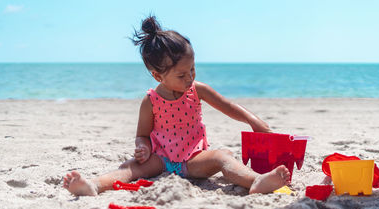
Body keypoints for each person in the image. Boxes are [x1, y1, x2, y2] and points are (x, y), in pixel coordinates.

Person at [63, 16, 290, 196]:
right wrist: (143, 148)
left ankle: (256, 180)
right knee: (129, 167)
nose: (190, 77)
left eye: (192, 69)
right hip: (160, 160)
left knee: (222, 157)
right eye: (182, 75)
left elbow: (228, 106)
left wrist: (253, 121)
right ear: (157, 76)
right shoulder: (150, 101)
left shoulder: (197, 90)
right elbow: (142, 134)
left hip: (194, 160)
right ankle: (94, 185)